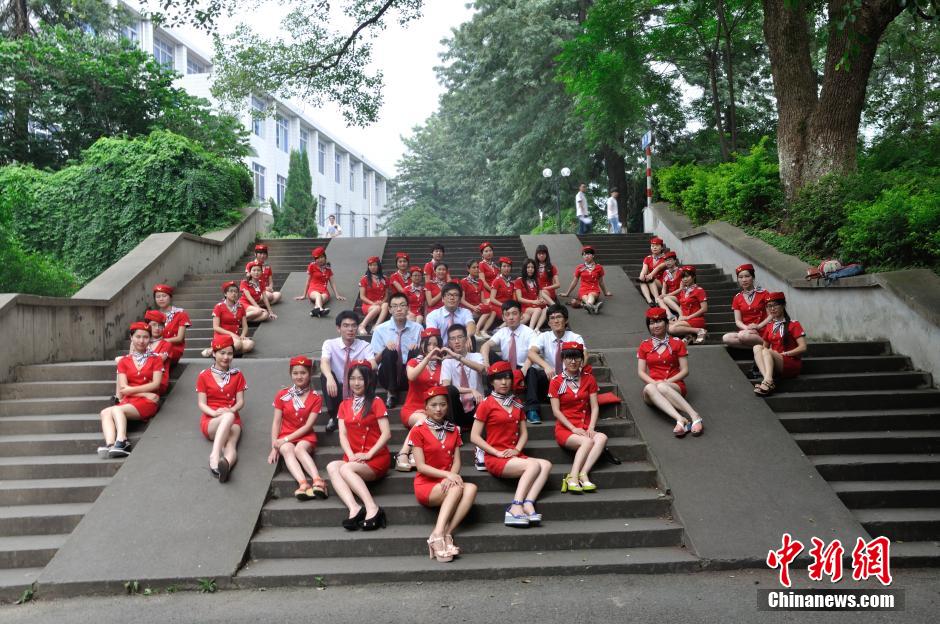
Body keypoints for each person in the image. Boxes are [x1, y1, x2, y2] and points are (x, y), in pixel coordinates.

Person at [470, 361, 552, 528]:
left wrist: (517, 449)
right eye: (499, 379)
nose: (504, 382)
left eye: (507, 378)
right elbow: (474, 436)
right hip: (496, 457)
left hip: (513, 454)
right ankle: (515, 506)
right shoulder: (486, 403)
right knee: (534, 465)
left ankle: (528, 503)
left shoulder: (516, 403)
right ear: (492, 382)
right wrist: (496, 453)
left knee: (546, 464)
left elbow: (524, 434)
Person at [409, 386, 478, 561]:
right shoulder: (418, 430)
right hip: (426, 484)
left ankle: (446, 533)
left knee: (471, 488)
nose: (438, 409)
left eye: (442, 404)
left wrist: (451, 475)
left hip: (447, 482)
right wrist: (447, 476)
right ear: (426, 408)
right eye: (433, 405)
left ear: (448, 406)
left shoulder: (454, 429)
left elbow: (457, 462)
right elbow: (421, 466)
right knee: (457, 487)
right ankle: (437, 535)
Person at [326, 361, 391, 530]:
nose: (356, 383)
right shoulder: (344, 405)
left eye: (361, 379)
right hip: (355, 456)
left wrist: (369, 454)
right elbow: (342, 434)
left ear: (368, 380)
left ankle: (372, 508)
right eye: (352, 378)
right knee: (332, 466)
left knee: (346, 469)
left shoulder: (376, 402)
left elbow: (386, 434)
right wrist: (350, 455)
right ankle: (354, 508)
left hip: (375, 458)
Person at [98, 322, 164, 459]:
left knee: (116, 409)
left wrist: (132, 390)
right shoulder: (124, 361)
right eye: (138, 337)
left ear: (150, 339)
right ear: (131, 337)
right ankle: (111, 445)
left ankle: (122, 441)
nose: (141, 341)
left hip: (146, 403)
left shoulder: (156, 359)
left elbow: (156, 384)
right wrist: (144, 393)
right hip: (134, 399)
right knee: (105, 412)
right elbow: (123, 389)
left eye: (145, 337)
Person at [548, 342, 606, 493]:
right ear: (563, 359)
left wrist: (591, 427)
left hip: (585, 425)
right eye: (569, 358)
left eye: (577, 358)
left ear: (582, 359)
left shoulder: (589, 378)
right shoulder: (556, 381)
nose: (573, 362)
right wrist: (573, 428)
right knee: (587, 442)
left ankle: (583, 473)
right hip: (566, 428)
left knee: (601, 438)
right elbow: (556, 411)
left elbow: (595, 407)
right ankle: (572, 477)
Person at [268, 356, 327, 501]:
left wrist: (285, 439)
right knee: (286, 449)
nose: (299, 376)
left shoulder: (316, 398)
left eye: (303, 373)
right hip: (285, 436)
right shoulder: (283, 395)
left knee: (299, 449)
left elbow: (308, 426)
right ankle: (303, 484)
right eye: (295, 373)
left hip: (305, 435)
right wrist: (275, 446)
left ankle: (318, 481)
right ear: (290, 374)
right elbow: (276, 422)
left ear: (310, 374)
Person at [637, 307, 702, 437]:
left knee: (662, 386)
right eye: (652, 323)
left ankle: (691, 417)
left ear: (666, 323)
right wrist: (655, 383)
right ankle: (682, 418)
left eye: (659, 321)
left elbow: (685, 371)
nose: (655, 326)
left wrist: (666, 382)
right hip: (653, 389)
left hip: (674, 385)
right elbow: (641, 372)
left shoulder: (678, 343)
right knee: (649, 387)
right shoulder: (644, 345)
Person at [196, 334, 247, 481]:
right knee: (228, 417)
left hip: (233, 420)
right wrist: (214, 413)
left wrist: (231, 410)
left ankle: (226, 465)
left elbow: (240, 402)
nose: (226, 357)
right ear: (214, 353)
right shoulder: (204, 376)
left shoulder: (237, 375)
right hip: (211, 420)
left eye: (230, 353)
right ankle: (215, 455)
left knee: (230, 444)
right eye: (222, 353)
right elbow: (201, 403)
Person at [395, 328, 445, 471]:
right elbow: (411, 376)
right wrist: (427, 358)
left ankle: (412, 454)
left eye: (435, 344)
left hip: (433, 411)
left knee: (427, 419)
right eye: (428, 344)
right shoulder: (413, 362)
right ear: (422, 345)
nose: (432, 348)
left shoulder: (443, 365)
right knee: (424, 420)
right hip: (412, 409)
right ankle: (403, 453)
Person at [480, 301, 539, 422]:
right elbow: (485, 345)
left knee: (532, 371)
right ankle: (492, 400)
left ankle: (532, 409)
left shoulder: (529, 332)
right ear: (503, 317)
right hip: (506, 368)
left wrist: (522, 372)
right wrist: (486, 362)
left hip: (523, 367)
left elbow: (533, 352)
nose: (511, 317)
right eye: (507, 314)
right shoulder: (502, 332)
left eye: (514, 313)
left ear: (521, 315)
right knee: (489, 354)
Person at [525, 304, 585, 420]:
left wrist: (572, 371)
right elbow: (531, 353)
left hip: (569, 380)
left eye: (559, 317)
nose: (556, 321)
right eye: (552, 318)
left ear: (566, 320)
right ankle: (532, 410)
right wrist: (546, 366)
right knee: (532, 371)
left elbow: (584, 355)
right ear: (548, 323)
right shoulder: (544, 336)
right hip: (550, 379)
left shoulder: (575, 337)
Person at [320, 310, 376, 433]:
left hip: (357, 387)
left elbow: (373, 364)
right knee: (325, 375)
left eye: (353, 325)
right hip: (337, 388)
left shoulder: (365, 345)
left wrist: (359, 370)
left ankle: (365, 412)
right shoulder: (329, 344)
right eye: (346, 325)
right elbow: (324, 362)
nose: (350, 329)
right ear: (338, 328)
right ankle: (334, 416)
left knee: (371, 372)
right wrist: (329, 377)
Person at [371, 292, 423, 410]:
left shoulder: (418, 328)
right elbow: (374, 361)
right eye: (395, 306)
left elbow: (423, 357)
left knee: (416, 351)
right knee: (389, 351)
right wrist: (385, 350)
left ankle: (414, 392)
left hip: (408, 373)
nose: (399, 309)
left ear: (408, 308)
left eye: (402, 305)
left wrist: (418, 350)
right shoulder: (380, 329)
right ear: (389, 309)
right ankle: (391, 393)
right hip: (387, 374)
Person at [753, 292, 807, 397]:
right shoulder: (770, 326)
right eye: (769, 306)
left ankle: (767, 381)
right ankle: (767, 379)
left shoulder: (794, 324)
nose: (772, 309)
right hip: (774, 363)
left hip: (790, 362)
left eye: (775, 305)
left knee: (768, 351)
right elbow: (763, 348)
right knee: (757, 347)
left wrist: (786, 353)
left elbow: (803, 347)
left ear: (783, 305)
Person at [440, 324, 487, 428]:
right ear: (449, 343)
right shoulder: (447, 362)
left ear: (466, 339)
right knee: (449, 390)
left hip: (477, 403)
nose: (456, 341)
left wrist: (458, 357)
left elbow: (482, 370)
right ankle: (455, 430)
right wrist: (470, 390)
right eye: (453, 339)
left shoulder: (476, 356)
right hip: (458, 407)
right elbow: (446, 386)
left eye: (460, 337)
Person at [722, 264, 771, 350]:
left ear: (753, 277)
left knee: (743, 336)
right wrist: (747, 328)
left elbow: (771, 315)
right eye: (740, 277)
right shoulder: (737, 297)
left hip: (762, 330)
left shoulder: (764, 294)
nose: (744, 280)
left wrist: (758, 326)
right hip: (746, 332)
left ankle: (765, 344)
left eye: (747, 276)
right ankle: (759, 347)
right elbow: (738, 321)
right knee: (726, 338)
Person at [203, 281, 254, 357]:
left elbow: (245, 326)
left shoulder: (241, 307)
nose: (234, 293)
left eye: (236, 292)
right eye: (231, 291)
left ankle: (218, 352)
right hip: (222, 336)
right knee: (238, 344)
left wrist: (242, 335)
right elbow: (216, 327)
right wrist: (231, 334)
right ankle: (216, 349)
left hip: (236, 337)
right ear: (225, 294)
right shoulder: (219, 307)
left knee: (250, 344)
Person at [560, 246, 612, 315]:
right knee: (585, 297)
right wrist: (567, 293)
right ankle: (594, 307)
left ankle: (587, 306)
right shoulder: (579, 267)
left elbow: (601, 282)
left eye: (588, 254)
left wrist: (605, 293)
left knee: (590, 295)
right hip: (583, 289)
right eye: (584, 255)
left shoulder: (599, 267)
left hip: (594, 289)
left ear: (593, 255)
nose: (586, 256)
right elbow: (574, 281)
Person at [297, 246, 346, 317]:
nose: (320, 260)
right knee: (318, 295)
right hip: (313, 289)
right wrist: (304, 295)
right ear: (315, 259)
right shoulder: (312, 266)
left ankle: (315, 310)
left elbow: (332, 282)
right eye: (318, 258)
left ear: (325, 257)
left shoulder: (328, 267)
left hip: (324, 291)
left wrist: (337, 295)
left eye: (322, 257)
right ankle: (321, 309)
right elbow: (308, 281)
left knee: (321, 299)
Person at [668, 265, 708, 345]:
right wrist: (680, 317)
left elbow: (704, 309)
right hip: (685, 319)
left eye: (687, 276)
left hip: (696, 319)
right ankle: (689, 336)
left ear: (693, 277)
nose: (685, 279)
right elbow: (681, 306)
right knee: (666, 325)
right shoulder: (683, 291)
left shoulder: (699, 290)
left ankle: (699, 331)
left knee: (672, 329)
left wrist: (688, 317)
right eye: (683, 277)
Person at [152, 283, 190, 365]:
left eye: (164, 296)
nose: (161, 299)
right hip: (155, 347)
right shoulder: (153, 315)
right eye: (158, 297)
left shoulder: (180, 313)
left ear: (170, 297)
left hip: (173, 348)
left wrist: (160, 342)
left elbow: (179, 338)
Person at [460, 259, 494, 339]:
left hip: (478, 307)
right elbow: (461, 300)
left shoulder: (480, 281)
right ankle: (476, 331)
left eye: (477, 267)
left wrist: (488, 305)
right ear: (468, 269)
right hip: (468, 308)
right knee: (487, 311)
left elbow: (483, 300)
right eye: (474, 267)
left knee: (492, 310)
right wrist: (473, 307)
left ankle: (482, 331)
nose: (476, 269)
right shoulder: (463, 282)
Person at [357, 256, 389, 335]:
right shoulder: (364, 279)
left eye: (374, 265)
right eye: (370, 265)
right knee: (377, 308)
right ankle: (362, 325)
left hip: (380, 303)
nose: (372, 267)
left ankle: (376, 326)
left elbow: (386, 295)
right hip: (368, 304)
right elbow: (362, 296)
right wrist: (373, 303)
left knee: (386, 305)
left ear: (378, 266)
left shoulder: (385, 279)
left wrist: (382, 302)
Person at [515, 258, 547, 330]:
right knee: (538, 310)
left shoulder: (537, 281)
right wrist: (533, 302)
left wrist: (541, 301)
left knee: (546, 309)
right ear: (524, 268)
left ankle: (537, 329)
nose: (530, 269)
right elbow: (519, 299)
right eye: (528, 267)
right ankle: (531, 329)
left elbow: (540, 297)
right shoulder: (519, 280)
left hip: (534, 305)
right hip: (524, 306)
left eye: (532, 267)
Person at [653, 251, 683, 319]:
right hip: (670, 297)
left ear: (675, 261)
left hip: (679, 296)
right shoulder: (665, 272)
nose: (668, 262)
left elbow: (681, 288)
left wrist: (666, 295)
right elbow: (664, 288)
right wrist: (663, 294)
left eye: (670, 260)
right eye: (666, 260)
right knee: (659, 299)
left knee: (666, 298)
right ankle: (669, 314)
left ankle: (681, 312)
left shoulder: (681, 271)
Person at [487, 257, 516, 324]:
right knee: (510, 316)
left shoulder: (511, 282)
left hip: (506, 307)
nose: (506, 268)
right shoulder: (497, 281)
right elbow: (492, 299)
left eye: (508, 266)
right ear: (500, 268)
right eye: (504, 266)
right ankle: (499, 328)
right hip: (496, 306)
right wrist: (503, 305)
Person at [638, 237, 666, 306]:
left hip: (661, 282)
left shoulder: (666, 258)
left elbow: (659, 268)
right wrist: (642, 276)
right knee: (642, 280)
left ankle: (657, 300)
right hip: (649, 280)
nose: (654, 248)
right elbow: (644, 269)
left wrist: (650, 275)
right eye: (652, 246)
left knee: (650, 279)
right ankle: (649, 301)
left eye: (657, 246)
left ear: (662, 247)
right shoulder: (648, 258)